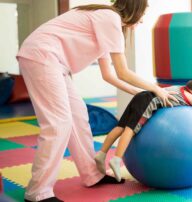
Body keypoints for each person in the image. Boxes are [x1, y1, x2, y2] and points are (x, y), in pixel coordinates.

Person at [16, 1, 178, 202]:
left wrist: (141, 94)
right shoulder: (110, 18)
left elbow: (109, 75)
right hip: (42, 56)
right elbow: (123, 72)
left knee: (78, 116)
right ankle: (38, 192)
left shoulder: (105, 25)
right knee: (59, 124)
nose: (143, 18)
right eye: (143, 12)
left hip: (55, 63)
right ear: (135, 8)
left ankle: (92, 174)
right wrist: (155, 89)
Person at [94, 78, 192, 182]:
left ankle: (101, 154)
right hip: (148, 101)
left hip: (141, 96)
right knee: (130, 129)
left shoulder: (178, 88)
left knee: (120, 127)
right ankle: (116, 159)